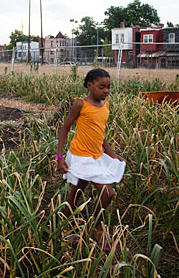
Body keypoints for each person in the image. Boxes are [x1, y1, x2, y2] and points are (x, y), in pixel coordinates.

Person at [56, 68, 126, 247]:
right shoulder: (81, 104)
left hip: (95, 156)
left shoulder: (106, 105)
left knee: (82, 192)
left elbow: (99, 133)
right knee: (98, 192)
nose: (106, 91)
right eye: (102, 87)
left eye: (109, 87)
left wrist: (111, 154)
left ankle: (92, 227)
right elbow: (65, 128)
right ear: (89, 85)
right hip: (80, 157)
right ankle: (71, 228)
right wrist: (59, 156)